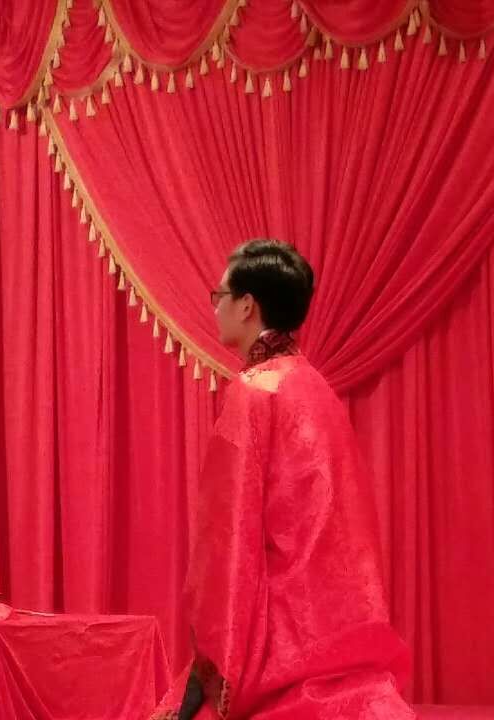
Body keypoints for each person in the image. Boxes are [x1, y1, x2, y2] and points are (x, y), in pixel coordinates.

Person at [151, 241, 414, 720]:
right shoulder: (315, 386)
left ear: (246, 305)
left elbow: (227, 543)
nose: (216, 308)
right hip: (337, 631)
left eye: (220, 296)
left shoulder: (253, 391)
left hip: (279, 643)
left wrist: (209, 671)